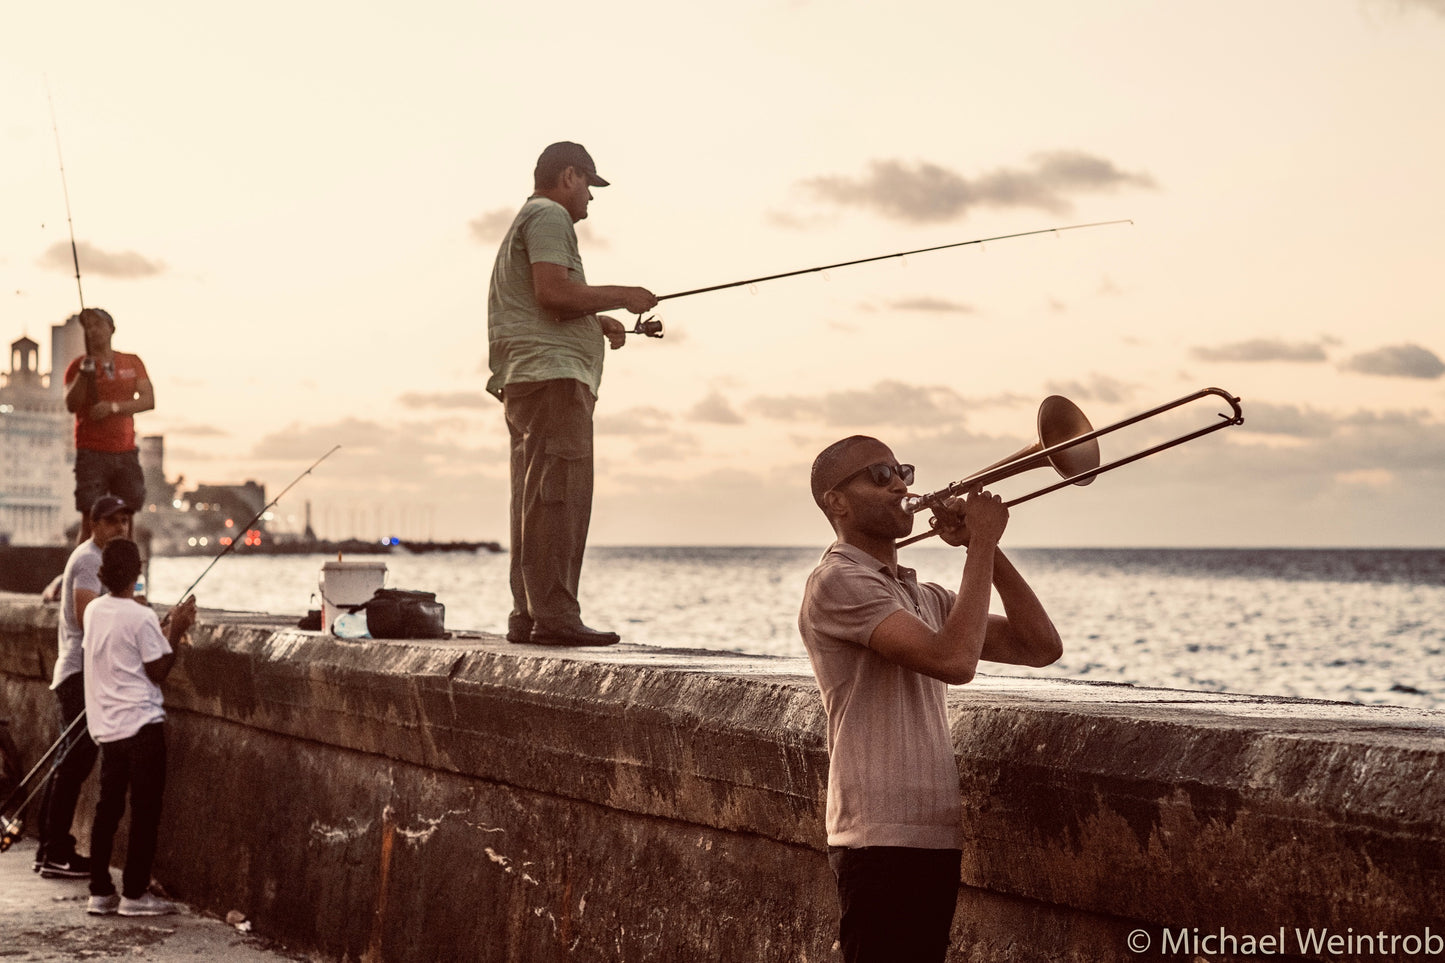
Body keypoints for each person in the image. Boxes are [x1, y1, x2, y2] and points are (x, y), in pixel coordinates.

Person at [797, 436, 1063, 963]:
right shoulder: (838, 582)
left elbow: (1039, 646)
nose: (900, 484)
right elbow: (954, 662)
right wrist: (981, 544)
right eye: (879, 475)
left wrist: (986, 548)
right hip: (875, 836)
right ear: (837, 502)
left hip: (930, 832)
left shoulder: (922, 595)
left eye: (902, 471)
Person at [486, 142, 658, 647]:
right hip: (554, 381)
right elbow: (554, 293)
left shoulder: (529, 219)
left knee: (532, 499)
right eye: (588, 184)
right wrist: (624, 296)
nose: (590, 197)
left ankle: (529, 615)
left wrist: (596, 319)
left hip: (530, 377)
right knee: (559, 497)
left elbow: (547, 302)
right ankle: (556, 618)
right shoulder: (548, 216)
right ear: (567, 176)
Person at [82, 538, 197, 917]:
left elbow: (125, 652)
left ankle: (100, 890)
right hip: (142, 728)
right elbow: (157, 670)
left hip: (108, 728)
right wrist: (176, 629)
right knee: (145, 811)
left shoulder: (95, 611)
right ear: (138, 572)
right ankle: (133, 893)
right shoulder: (141, 617)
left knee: (108, 808)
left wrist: (156, 628)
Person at [33, 494, 134, 878]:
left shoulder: (91, 557)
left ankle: (49, 849)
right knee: (73, 765)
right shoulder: (91, 558)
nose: (120, 527)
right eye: (112, 521)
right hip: (79, 674)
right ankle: (56, 850)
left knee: (68, 764)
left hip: (76, 671)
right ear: (94, 524)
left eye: (124, 520)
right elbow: (86, 616)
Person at [63, 307, 154, 545]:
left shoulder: (132, 362)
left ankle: (127, 575)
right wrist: (85, 373)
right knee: (89, 517)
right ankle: (81, 572)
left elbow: (148, 400)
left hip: (125, 451)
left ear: (111, 329)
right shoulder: (79, 366)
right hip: (91, 451)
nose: (93, 331)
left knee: (127, 516)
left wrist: (112, 407)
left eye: (98, 325)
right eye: (88, 326)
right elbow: (71, 404)